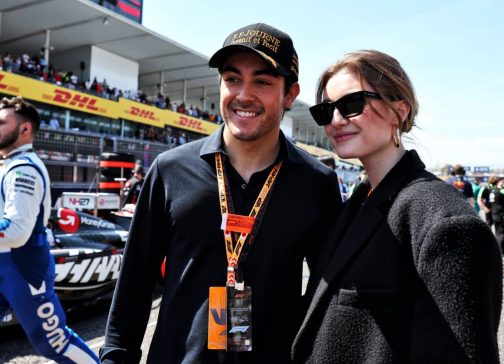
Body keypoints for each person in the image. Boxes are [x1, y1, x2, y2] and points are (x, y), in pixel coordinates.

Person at [101, 23, 341, 363]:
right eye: (232, 79)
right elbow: (133, 284)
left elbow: (326, 297)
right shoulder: (170, 170)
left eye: (262, 81)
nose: (244, 94)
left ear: (289, 94)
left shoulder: (317, 183)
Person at [292, 50, 503, 363]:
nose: (336, 121)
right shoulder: (353, 206)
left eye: (351, 104)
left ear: (398, 111)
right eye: (326, 111)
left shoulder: (444, 222)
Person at [0, 97, 99, 363]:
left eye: (1, 123)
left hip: (23, 267)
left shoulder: (24, 170)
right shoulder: (8, 165)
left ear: (24, 130)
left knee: (53, 342)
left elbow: (16, 231)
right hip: (5, 262)